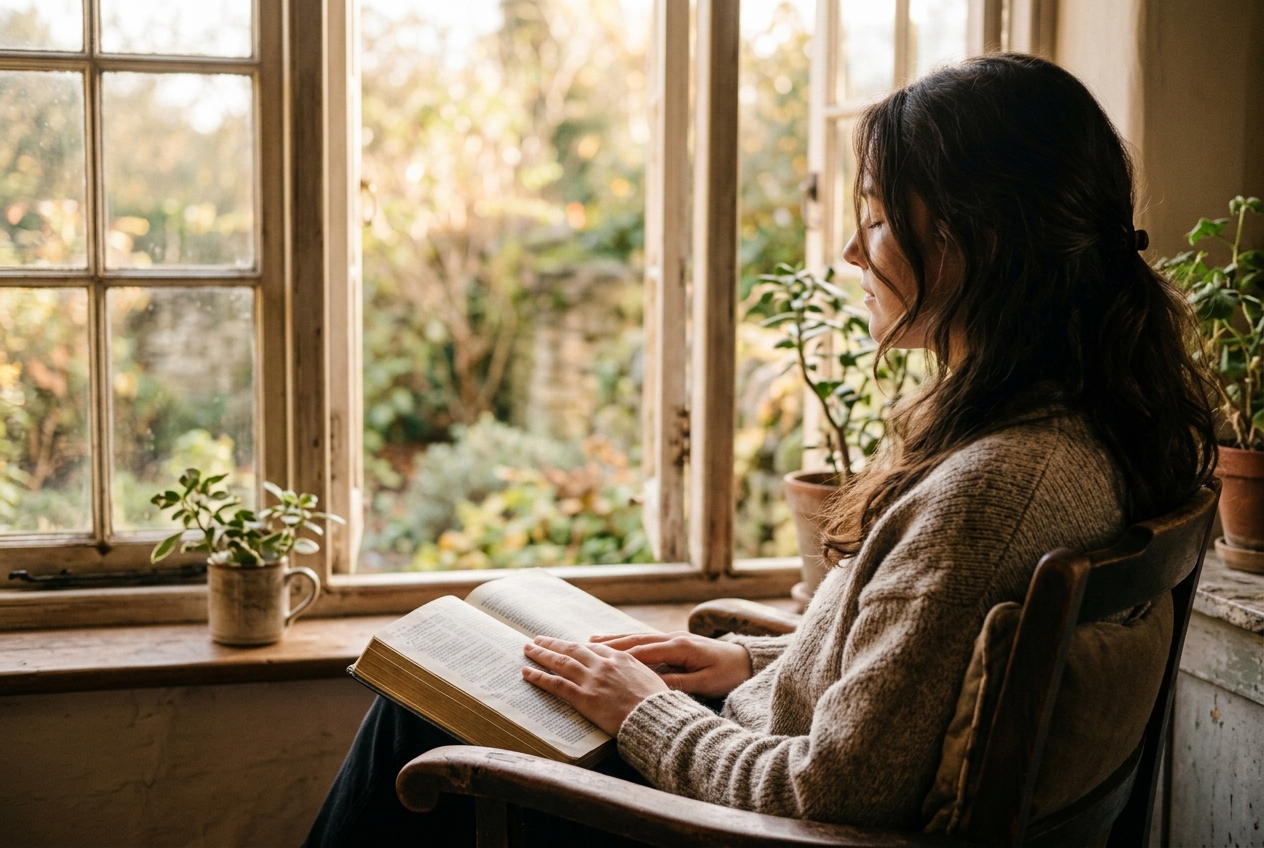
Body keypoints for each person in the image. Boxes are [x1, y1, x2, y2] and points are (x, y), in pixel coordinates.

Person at [305, 53, 1216, 846]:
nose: (854, 252)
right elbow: (910, 683)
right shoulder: (1079, 433)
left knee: (414, 727)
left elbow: (828, 794)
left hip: (754, 831)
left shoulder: (993, 492)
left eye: (879, 216)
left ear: (978, 238)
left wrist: (641, 707)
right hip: (754, 754)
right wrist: (749, 664)